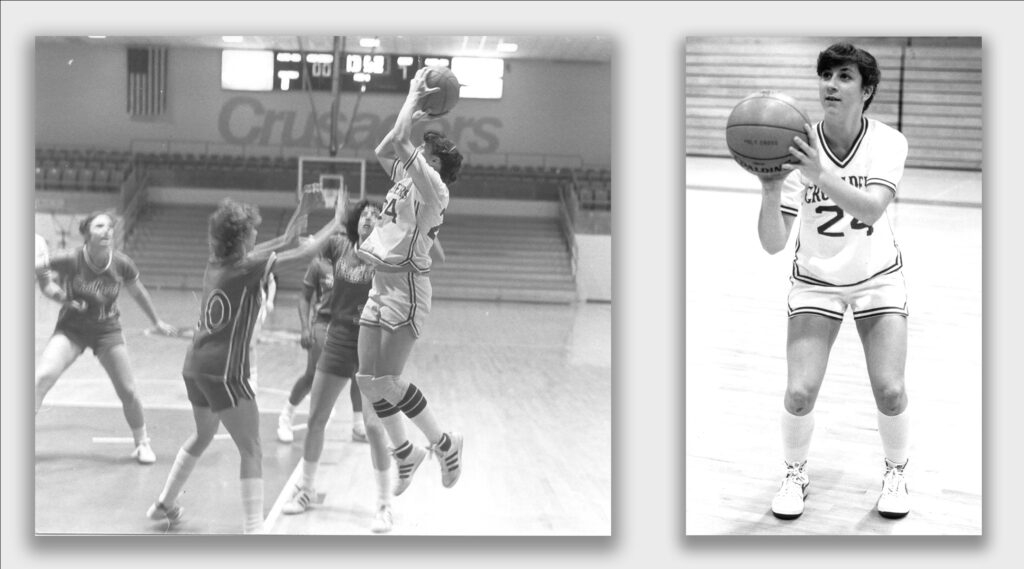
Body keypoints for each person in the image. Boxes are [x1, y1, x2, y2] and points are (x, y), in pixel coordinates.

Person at [756, 42, 912, 520]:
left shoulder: (889, 142)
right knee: (799, 392)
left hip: (876, 278)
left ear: (866, 92)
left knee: (889, 388)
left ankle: (897, 471)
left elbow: (871, 208)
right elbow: (772, 242)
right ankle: (794, 473)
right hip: (816, 282)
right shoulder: (794, 143)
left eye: (844, 77)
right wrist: (768, 188)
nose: (830, 85)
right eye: (826, 75)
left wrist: (816, 173)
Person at [146, 188, 342, 534]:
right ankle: (254, 532)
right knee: (252, 448)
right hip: (225, 370)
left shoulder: (221, 262)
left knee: (203, 435)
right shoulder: (248, 266)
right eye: (252, 228)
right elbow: (306, 250)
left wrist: (302, 207)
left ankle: (165, 502)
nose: (257, 232)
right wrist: (339, 221)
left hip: (195, 367)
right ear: (240, 237)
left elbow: (287, 238)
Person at [354, 67, 464, 497]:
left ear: (436, 165)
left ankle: (443, 443)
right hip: (382, 282)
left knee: (389, 381)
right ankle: (407, 454)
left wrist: (413, 97)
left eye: (425, 150)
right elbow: (386, 146)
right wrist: (412, 116)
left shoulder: (435, 187)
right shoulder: (406, 179)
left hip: (408, 288)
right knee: (368, 379)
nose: (417, 149)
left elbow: (399, 143)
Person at [280, 197, 398, 533]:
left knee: (375, 427)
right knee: (316, 418)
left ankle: (384, 504)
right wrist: (334, 219)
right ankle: (306, 488)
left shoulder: (387, 256)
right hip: (338, 339)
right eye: (364, 214)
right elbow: (308, 251)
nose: (369, 218)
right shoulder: (340, 246)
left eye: (376, 215)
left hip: (370, 345)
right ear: (355, 221)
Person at [35, 212, 178, 464]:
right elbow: (45, 283)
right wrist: (63, 298)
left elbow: (138, 293)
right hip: (71, 329)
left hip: (107, 331)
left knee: (128, 390)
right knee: (41, 377)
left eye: (110, 227)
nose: (107, 230)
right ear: (87, 232)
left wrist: (156, 321)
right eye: (100, 226)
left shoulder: (122, 263)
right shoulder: (70, 258)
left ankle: (142, 443)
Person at [275, 244, 369, 445]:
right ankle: (286, 416)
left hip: (352, 325)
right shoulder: (319, 264)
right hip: (325, 323)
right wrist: (305, 328)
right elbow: (304, 297)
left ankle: (358, 425)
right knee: (312, 374)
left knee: (358, 375)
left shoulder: (362, 261)